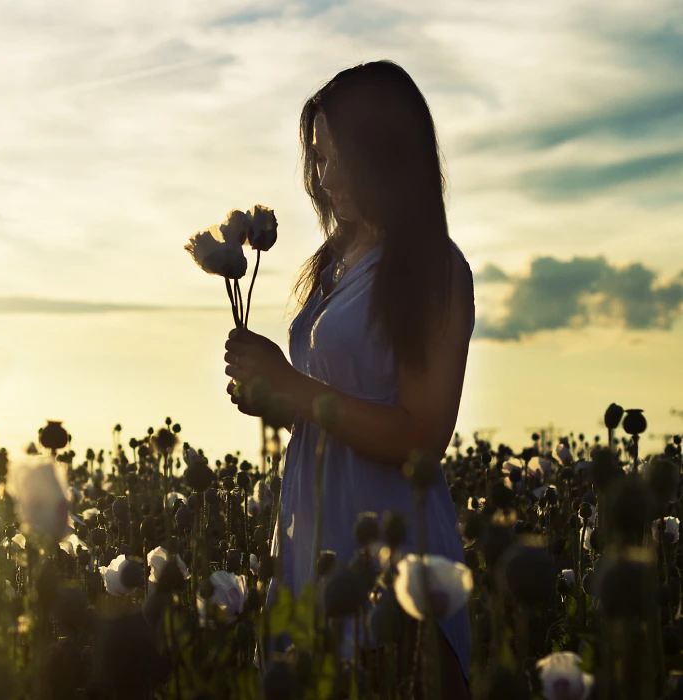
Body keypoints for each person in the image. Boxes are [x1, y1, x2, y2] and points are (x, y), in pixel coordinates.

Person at [222, 60, 474, 699]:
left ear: (386, 155)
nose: (324, 176)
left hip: (392, 550)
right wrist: (274, 399)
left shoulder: (434, 267)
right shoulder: (332, 265)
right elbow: (336, 401)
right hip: (312, 536)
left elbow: (421, 436)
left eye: (338, 157)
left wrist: (294, 386)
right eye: (317, 157)